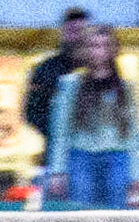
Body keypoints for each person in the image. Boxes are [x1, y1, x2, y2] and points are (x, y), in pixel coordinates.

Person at [44, 23, 139, 209]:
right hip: (80, 157)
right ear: (85, 49)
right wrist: (57, 170)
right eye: (94, 45)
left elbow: (133, 133)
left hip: (118, 157)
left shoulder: (125, 87)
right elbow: (60, 131)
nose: (100, 51)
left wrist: (137, 176)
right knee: (82, 215)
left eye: (105, 45)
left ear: (113, 49)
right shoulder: (70, 85)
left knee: (118, 216)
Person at [23, 6, 88, 144]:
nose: (77, 37)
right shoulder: (45, 69)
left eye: (81, 31)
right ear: (63, 33)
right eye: (72, 31)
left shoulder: (99, 68)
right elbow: (31, 112)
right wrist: (58, 133)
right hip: (58, 148)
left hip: (96, 150)